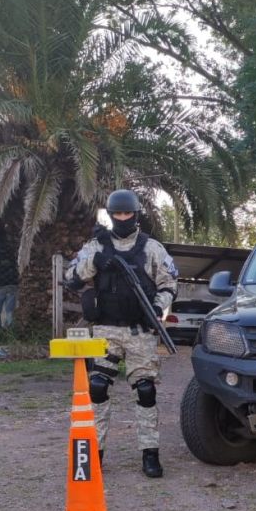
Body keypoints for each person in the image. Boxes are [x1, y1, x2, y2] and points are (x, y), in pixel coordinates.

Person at [65, 190, 178, 478]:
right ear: (111, 215)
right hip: (105, 330)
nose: (123, 218)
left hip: (141, 330)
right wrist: (97, 261)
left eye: (127, 214)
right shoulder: (96, 246)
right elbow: (71, 279)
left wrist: (157, 307)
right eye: (118, 214)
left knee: (145, 390)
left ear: (136, 214)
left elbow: (169, 284)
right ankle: (95, 453)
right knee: (98, 387)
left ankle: (150, 454)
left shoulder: (152, 248)